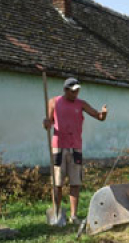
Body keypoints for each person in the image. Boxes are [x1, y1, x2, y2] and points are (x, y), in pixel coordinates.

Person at [43, 77, 108, 223]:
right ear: (65, 90)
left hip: (75, 146)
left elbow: (98, 116)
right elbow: (48, 123)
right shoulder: (54, 102)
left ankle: (73, 216)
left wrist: (103, 114)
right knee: (57, 183)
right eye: (73, 91)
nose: (76, 94)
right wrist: (46, 122)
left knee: (75, 182)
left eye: (78, 91)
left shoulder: (81, 104)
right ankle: (57, 213)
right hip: (58, 146)